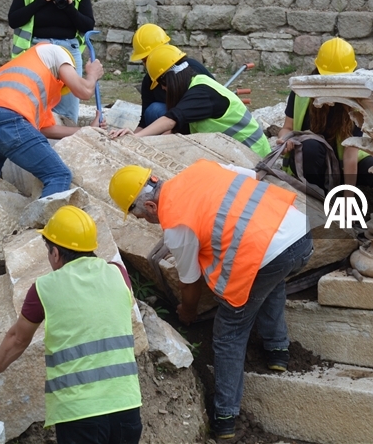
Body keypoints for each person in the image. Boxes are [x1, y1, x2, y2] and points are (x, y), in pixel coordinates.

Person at [108, 161, 312, 440]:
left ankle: (225, 417)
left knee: (229, 331)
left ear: (152, 206)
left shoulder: (176, 226)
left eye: (142, 217)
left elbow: (190, 281)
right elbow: (251, 176)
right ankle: (277, 351)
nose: (146, 221)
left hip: (269, 254)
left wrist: (187, 311)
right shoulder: (202, 168)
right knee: (270, 280)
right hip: (300, 233)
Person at [0, 206, 143, 443]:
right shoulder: (118, 274)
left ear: (55, 253)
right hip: (127, 409)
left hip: (79, 414)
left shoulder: (44, 288)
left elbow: (18, 339)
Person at [0, 42, 103, 197]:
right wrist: (93, 74)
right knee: (58, 175)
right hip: (7, 119)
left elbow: (45, 129)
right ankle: (44, 215)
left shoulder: (21, 74)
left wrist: (87, 130)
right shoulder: (57, 52)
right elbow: (84, 91)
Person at [110, 44, 271, 157]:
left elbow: (170, 120)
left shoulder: (201, 91)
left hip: (253, 154)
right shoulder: (193, 85)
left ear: (169, 80)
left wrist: (136, 138)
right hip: (236, 151)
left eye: (162, 84)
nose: (163, 89)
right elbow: (176, 130)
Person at [276, 37, 373, 203]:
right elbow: (287, 127)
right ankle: (318, 201)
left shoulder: (355, 101)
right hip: (310, 163)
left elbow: (350, 155)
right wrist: (284, 138)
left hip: (342, 166)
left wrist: (348, 199)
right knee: (310, 146)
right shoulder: (301, 92)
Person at [8, 0, 95, 123]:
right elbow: (14, 20)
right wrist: (39, 1)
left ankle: (66, 139)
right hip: (36, 50)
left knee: (68, 112)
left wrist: (70, 7)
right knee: (34, 107)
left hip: (68, 51)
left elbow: (88, 25)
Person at [128, 23, 212, 128]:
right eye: (144, 60)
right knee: (154, 110)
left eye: (147, 59)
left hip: (198, 119)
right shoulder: (149, 80)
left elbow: (208, 105)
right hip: (172, 120)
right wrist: (131, 135)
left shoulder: (192, 70)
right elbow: (144, 122)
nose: (146, 64)